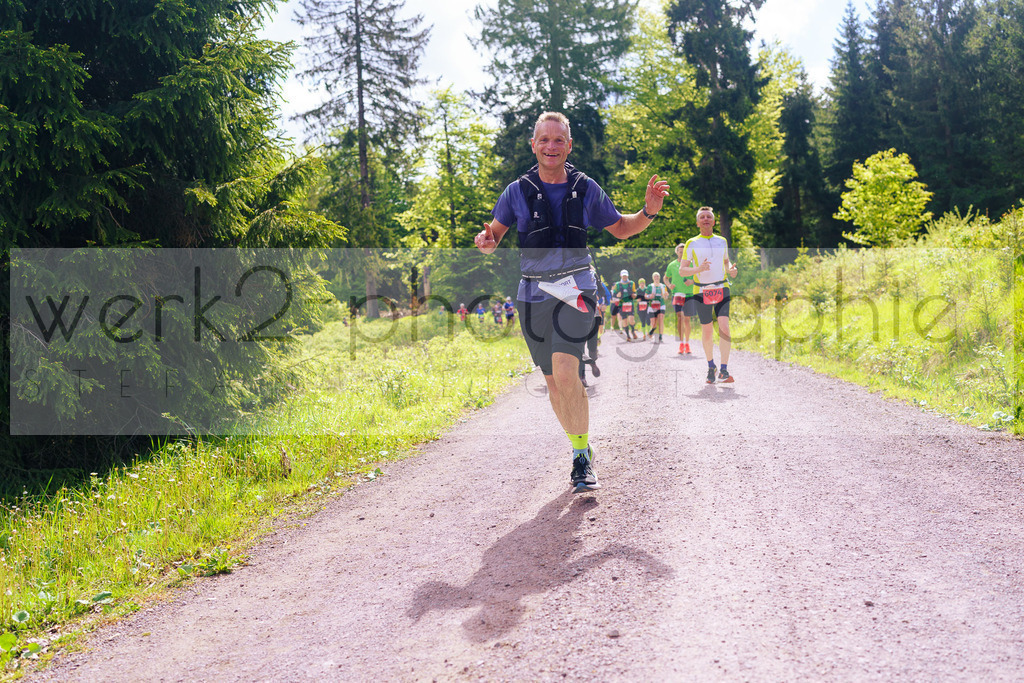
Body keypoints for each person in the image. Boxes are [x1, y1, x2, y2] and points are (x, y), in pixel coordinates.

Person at [474, 111, 669, 491]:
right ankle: (582, 444)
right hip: (532, 294)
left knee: (566, 372)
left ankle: (581, 459)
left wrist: (648, 211)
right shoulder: (516, 191)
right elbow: (493, 237)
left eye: (558, 140)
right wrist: (486, 243)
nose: (551, 146)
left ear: (569, 145)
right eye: (544, 140)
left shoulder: (586, 187)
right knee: (553, 383)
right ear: (534, 145)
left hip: (576, 288)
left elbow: (622, 228)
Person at [678, 206, 738, 384]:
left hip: (722, 287)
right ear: (697, 223)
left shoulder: (722, 241)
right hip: (701, 290)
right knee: (707, 330)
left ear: (713, 221)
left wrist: (731, 270)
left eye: (708, 217)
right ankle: (711, 366)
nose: (705, 219)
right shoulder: (692, 243)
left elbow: (726, 262)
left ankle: (724, 370)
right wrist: (698, 269)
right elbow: (682, 270)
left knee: (724, 327)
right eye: (702, 217)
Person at [665, 243, 697, 354]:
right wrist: (669, 285)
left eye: (684, 252)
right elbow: (666, 277)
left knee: (687, 320)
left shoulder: (692, 264)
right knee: (679, 318)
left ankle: (687, 344)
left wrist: (691, 281)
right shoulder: (672, 265)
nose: (682, 253)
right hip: (677, 295)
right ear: (677, 252)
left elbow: (700, 277)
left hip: (689, 295)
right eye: (680, 252)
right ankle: (681, 343)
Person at [611, 269, 638, 341]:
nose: (624, 277)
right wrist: (617, 295)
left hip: (630, 304)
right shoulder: (617, 284)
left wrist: (634, 295)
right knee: (624, 320)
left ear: (628, 276)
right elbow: (614, 295)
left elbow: (634, 292)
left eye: (625, 276)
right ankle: (628, 336)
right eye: (623, 276)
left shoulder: (631, 283)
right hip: (621, 305)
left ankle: (633, 331)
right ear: (621, 276)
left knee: (631, 319)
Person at [645, 272, 668, 342]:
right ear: (653, 278)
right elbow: (645, 296)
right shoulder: (650, 286)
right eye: (655, 276)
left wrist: (666, 295)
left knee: (660, 319)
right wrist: (649, 296)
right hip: (652, 305)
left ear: (659, 277)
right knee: (653, 322)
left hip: (661, 305)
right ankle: (652, 332)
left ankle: (660, 336)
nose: (656, 277)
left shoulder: (663, 286)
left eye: (657, 276)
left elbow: (666, 297)